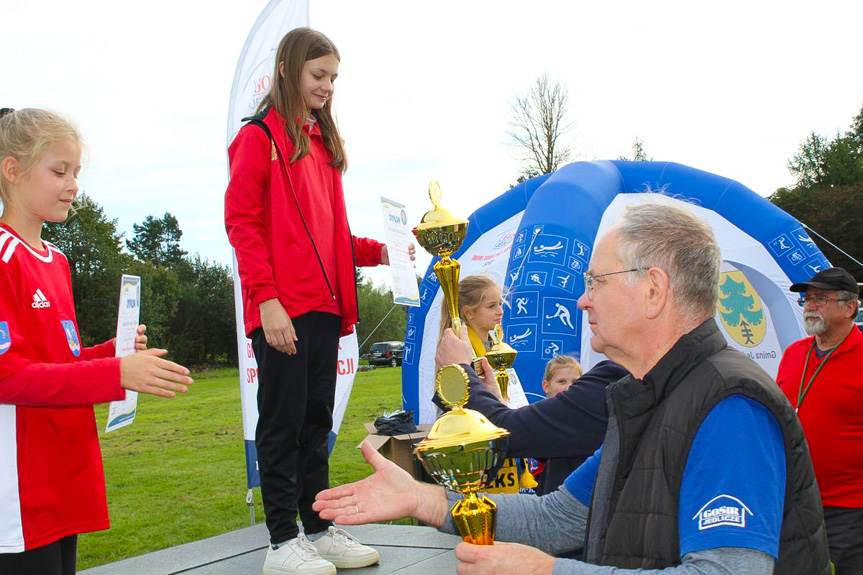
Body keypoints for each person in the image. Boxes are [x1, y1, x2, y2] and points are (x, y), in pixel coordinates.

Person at [314, 199, 831, 574]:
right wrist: (425, 501)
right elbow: (558, 517)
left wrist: (546, 573)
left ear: (653, 290)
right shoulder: (648, 393)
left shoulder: (729, 404)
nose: (583, 302)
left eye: (595, 283)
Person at [224, 28, 413, 575]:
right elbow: (242, 224)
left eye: (333, 78)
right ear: (287, 69)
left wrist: (394, 251)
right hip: (282, 309)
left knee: (315, 423)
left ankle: (318, 529)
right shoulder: (258, 139)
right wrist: (266, 301)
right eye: (318, 75)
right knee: (281, 424)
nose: (328, 86)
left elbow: (335, 239)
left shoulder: (323, 147)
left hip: (326, 309)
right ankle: (282, 542)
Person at [0, 108, 194, 575]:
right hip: (19, 496)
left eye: (76, 173)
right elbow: (7, 376)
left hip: (62, 479)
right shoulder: (4, 258)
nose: (72, 185)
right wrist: (114, 374)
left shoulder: (56, 259)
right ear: (12, 170)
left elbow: (56, 361)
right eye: (58, 171)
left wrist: (109, 353)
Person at [776, 267, 863, 575]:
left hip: (849, 506)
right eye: (807, 298)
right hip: (795, 497)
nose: (810, 305)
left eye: (821, 298)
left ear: (850, 307)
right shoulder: (794, 353)